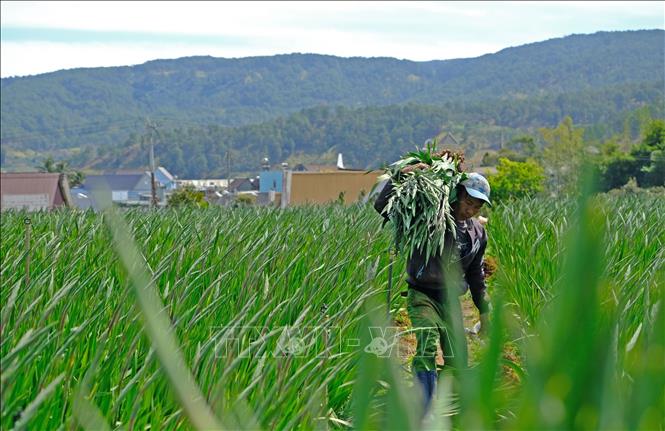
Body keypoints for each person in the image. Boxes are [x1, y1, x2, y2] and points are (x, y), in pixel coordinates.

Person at [374, 167, 492, 415]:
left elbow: (475, 275)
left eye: (476, 207)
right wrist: (400, 176)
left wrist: (484, 311)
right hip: (422, 294)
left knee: (457, 354)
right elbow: (382, 206)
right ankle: (422, 411)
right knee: (426, 342)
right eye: (467, 202)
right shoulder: (431, 218)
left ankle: (453, 412)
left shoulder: (477, 233)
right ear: (456, 194)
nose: (469, 210)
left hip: (450, 300)